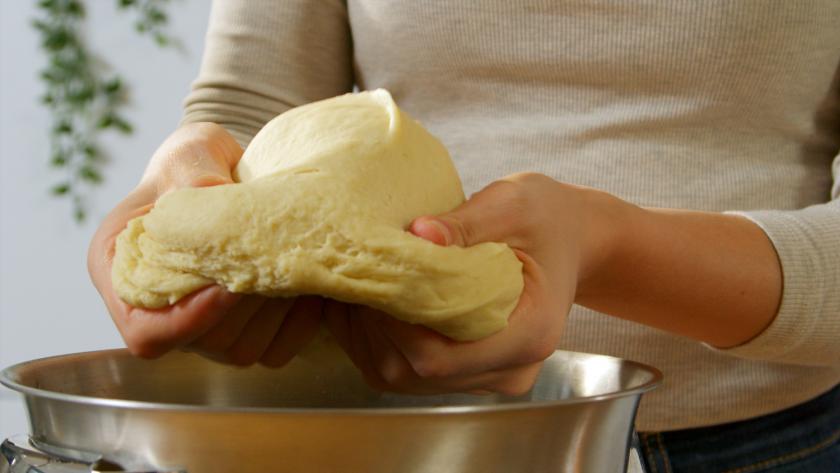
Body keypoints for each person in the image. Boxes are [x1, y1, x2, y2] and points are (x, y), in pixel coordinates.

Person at [88, 1, 840, 471]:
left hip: (762, 445)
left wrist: (606, 245)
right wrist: (186, 183)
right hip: (397, 436)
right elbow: (249, 103)